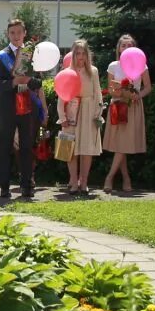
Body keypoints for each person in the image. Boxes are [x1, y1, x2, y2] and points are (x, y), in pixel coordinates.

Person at [0, 19, 41, 200]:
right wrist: (14, 82)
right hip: (7, 108)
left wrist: (30, 81)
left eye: (19, 32)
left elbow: (38, 81)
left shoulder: (31, 55)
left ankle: (27, 185)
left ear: (24, 33)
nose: (16, 36)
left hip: (26, 106)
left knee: (27, 147)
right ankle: (4, 187)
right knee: (5, 148)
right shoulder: (0, 56)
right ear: (8, 34)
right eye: (12, 33)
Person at [102, 33, 150, 194]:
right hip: (117, 105)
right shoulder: (113, 66)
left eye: (130, 45)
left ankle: (110, 177)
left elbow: (148, 87)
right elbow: (110, 90)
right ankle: (126, 178)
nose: (126, 48)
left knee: (123, 144)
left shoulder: (142, 65)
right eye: (123, 45)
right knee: (120, 144)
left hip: (133, 106)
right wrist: (119, 92)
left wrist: (137, 95)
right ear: (119, 48)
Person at [63, 39, 103, 196]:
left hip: (88, 111)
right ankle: (73, 181)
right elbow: (62, 95)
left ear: (87, 55)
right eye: (77, 53)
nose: (80, 57)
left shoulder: (93, 71)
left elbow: (98, 93)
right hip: (72, 111)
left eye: (83, 53)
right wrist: (62, 116)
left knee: (86, 149)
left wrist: (97, 114)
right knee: (70, 150)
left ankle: (84, 182)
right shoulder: (68, 71)